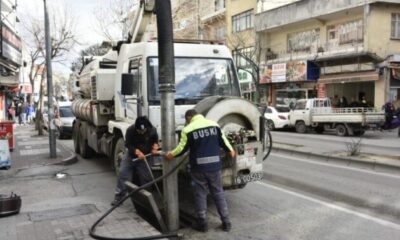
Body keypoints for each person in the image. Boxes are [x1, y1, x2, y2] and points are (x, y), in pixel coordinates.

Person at [166, 109, 236, 232]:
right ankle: (226, 222)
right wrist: (231, 151)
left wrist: (171, 154)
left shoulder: (188, 130)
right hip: (214, 167)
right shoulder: (214, 125)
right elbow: (224, 142)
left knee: (201, 194)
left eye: (186, 120)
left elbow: (181, 149)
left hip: (198, 169)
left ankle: (202, 224)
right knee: (218, 193)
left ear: (189, 117)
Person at [111, 116, 159, 206]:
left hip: (145, 157)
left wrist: (155, 147)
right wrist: (136, 151)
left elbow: (155, 140)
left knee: (147, 178)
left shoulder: (152, 130)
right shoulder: (130, 130)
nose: (142, 132)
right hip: (131, 157)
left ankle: (146, 200)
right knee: (122, 173)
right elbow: (128, 144)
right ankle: (119, 198)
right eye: (139, 131)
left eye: (143, 131)